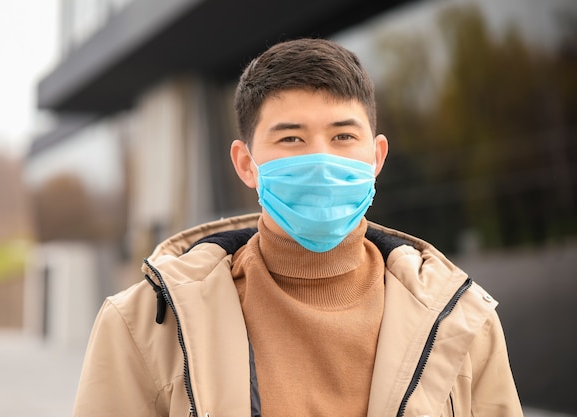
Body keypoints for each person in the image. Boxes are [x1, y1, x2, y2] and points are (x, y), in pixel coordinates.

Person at [72, 38, 523, 416]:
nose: (321, 161)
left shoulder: (464, 324)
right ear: (246, 164)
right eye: (291, 138)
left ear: (377, 157)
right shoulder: (146, 325)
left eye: (344, 136)